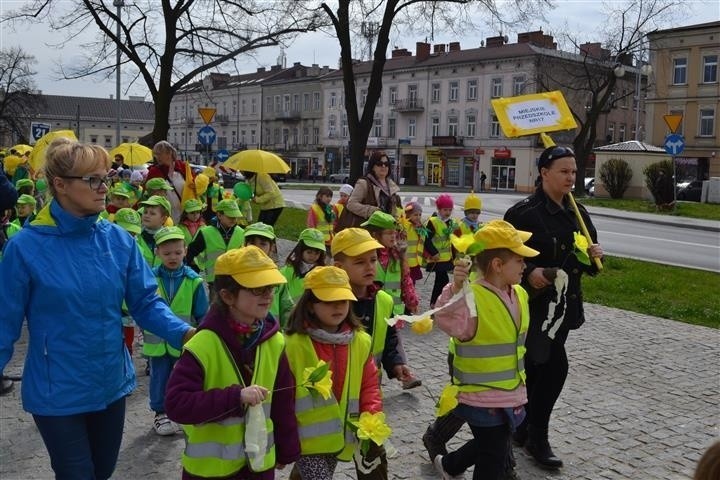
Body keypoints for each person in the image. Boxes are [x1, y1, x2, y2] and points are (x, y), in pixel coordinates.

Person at [0, 138, 196, 479]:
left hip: (111, 384)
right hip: (56, 390)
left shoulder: (118, 240)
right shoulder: (24, 248)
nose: (104, 187)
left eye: (105, 177)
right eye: (93, 180)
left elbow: (146, 302)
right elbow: (3, 322)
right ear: (59, 184)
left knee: (102, 473)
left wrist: (188, 334)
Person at [504, 145, 603, 470]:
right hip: (533, 309)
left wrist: (594, 256)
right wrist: (528, 273)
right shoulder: (524, 213)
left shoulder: (578, 212)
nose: (571, 178)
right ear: (544, 173)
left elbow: (586, 261)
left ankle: (521, 428)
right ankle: (536, 436)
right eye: (564, 171)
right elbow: (500, 260)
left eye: (574, 172)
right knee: (553, 368)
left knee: (537, 368)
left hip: (563, 308)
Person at [165, 246, 300, 479]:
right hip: (211, 472)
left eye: (270, 287)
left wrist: (287, 449)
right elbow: (176, 405)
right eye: (258, 289)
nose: (268, 294)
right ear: (227, 296)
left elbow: (283, 401)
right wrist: (235, 397)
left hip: (258, 466)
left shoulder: (275, 342)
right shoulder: (203, 344)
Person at [430, 219, 539, 480]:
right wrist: (455, 289)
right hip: (481, 395)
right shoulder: (473, 297)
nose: (525, 265)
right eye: (520, 260)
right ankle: (450, 463)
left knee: (495, 443)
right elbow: (445, 318)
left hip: (510, 390)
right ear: (498, 265)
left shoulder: (519, 294)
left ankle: (451, 465)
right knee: (493, 454)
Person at [332, 228, 417, 477]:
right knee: (317, 462)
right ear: (338, 265)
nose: (369, 267)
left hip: (369, 399)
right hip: (330, 402)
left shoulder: (383, 300)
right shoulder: (328, 304)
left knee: (374, 462)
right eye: (359, 262)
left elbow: (388, 337)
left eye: (372, 260)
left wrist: (396, 363)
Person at [284, 266, 382, 480]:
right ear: (310, 305)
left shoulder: (360, 341)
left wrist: (371, 415)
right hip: (305, 440)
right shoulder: (293, 344)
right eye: (329, 301)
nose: (338, 306)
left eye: (343, 300)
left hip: (339, 437)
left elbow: (369, 384)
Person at [146, 226, 209, 436]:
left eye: (177, 252)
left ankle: (183, 412)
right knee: (159, 376)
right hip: (157, 341)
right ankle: (160, 413)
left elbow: (202, 313)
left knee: (184, 377)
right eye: (166, 253)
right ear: (157, 252)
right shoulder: (149, 279)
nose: (173, 257)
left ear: (185, 251)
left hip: (185, 341)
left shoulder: (194, 282)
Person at [270, 228, 327, 328]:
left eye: (317, 253)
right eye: (309, 252)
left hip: (310, 325)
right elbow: (276, 302)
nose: (313, 256)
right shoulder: (286, 272)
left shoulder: (323, 275)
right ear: (300, 250)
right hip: (287, 323)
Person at [186, 198, 246, 292]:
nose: (234, 219)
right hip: (214, 280)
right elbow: (191, 252)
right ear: (219, 215)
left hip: (235, 278)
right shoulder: (206, 232)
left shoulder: (241, 232)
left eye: (236, 216)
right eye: (230, 216)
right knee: (215, 305)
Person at [341, 152, 402, 228]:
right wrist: (371, 211)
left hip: (386, 230)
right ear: (373, 166)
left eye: (386, 164)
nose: (383, 166)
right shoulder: (364, 183)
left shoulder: (391, 185)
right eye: (379, 164)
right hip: (368, 229)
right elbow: (351, 204)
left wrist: (397, 226)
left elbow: (393, 210)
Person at [425, 194, 458, 308]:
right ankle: (435, 303)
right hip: (437, 258)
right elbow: (427, 239)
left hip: (446, 257)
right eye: (445, 210)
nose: (447, 212)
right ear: (439, 209)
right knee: (442, 280)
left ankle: (436, 302)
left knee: (441, 280)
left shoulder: (451, 222)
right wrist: (433, 252)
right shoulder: (433, 222)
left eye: (449, 210)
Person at [146, 141, 190, 224]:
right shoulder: (154, 171)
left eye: (159, 154)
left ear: (169, 153)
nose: (157, 157)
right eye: (155, 154)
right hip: (165, 214)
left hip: (185, 213)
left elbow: (193, 186)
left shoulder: (183, 167)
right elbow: (147, 192)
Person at [137, 195, 172, 268]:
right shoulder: (136, 236)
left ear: (163, 219)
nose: (147, 215)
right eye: (145, 212)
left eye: (152, 213)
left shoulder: (169, 239)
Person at [307, 186, 336, 252]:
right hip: (319, 240)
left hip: (330, 239)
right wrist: (314, 238)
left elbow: (332, 223)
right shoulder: (314, 208)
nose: (329, 199)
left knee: (329, 259)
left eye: (330, 196)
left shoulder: (330, 208)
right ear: (320, 196)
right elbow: (311, 225)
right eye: (327, 196)